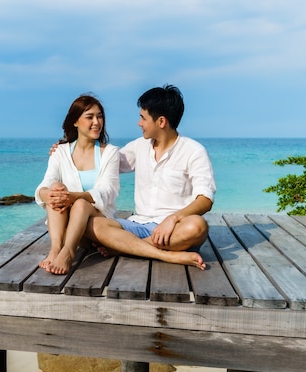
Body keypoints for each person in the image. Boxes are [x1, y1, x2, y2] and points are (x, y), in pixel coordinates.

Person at [85, 84, 216, 270]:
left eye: (143, 118)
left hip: (174, 232)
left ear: (161, 122)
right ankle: (163, 254)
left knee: (197, 226)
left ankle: (125, 247)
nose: (139, 123)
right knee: (91, 223)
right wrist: (67, 150)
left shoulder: (194, 151)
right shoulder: (139, 146)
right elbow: (106, 163)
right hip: (137, 225)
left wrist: (173, 219)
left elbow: (205, 199)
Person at [35, 94, 120, 275]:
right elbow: (46, 182)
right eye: (90, 117)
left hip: (98, 226)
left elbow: (107, 191)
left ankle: (68, 252)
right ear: (75, 121)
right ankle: (56, 248)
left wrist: (73, 197)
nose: (97, 122)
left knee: (80, 203)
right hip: (68, 228)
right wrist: (47, 194)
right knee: (56, 187)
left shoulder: (110, 153)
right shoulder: (61, 152)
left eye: (100, 116)